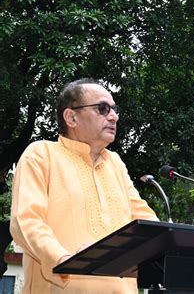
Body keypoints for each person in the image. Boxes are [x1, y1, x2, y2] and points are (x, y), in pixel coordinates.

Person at [10, 78, 158, 293]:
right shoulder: (41, 154)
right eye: (102, 108)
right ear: (71, 117)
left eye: (114, 110)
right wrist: (66, 260)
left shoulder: (115, 163)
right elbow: (26, 221)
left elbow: (144, 222)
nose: (114, 116)